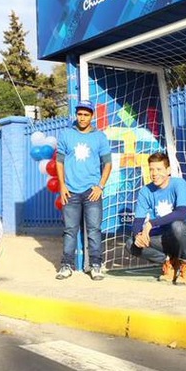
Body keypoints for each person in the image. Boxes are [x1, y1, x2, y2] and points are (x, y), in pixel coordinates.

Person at [55, 100, 112, 281]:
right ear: (76, 114)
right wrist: (62, 186)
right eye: (80, 114)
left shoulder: (100, 137)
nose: (82, 117)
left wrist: (100, 186)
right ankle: (66, 265)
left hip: (91, 191)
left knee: (94, 230)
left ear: (92, 116)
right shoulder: (66, 135)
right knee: (70, 230)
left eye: (86, 114)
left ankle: (96, 265)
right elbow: (59, 161)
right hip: (70, 191)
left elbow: (108, 163)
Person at [128, 152, 186, 284]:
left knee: (177, 226)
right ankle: (170, 261)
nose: (154, 173)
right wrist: (137, 235)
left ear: (168, 170)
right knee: (131, 244)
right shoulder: (145, 191)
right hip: (166, 240)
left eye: (159, 169)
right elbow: (138, 221)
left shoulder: (179, 184)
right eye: (151, 169)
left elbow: (181, 213)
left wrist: (151, 223)